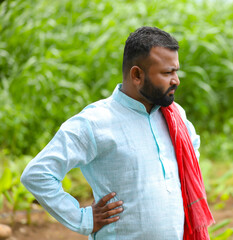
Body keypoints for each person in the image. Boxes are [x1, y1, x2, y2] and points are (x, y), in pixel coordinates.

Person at [21, 26, 214, 240]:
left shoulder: (175, 115)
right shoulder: (95, 122)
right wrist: (83, 218)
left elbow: (191, 151)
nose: (176, 80)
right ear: (137, 75)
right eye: (167, 73)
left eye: (176, 71)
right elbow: (38, 174)